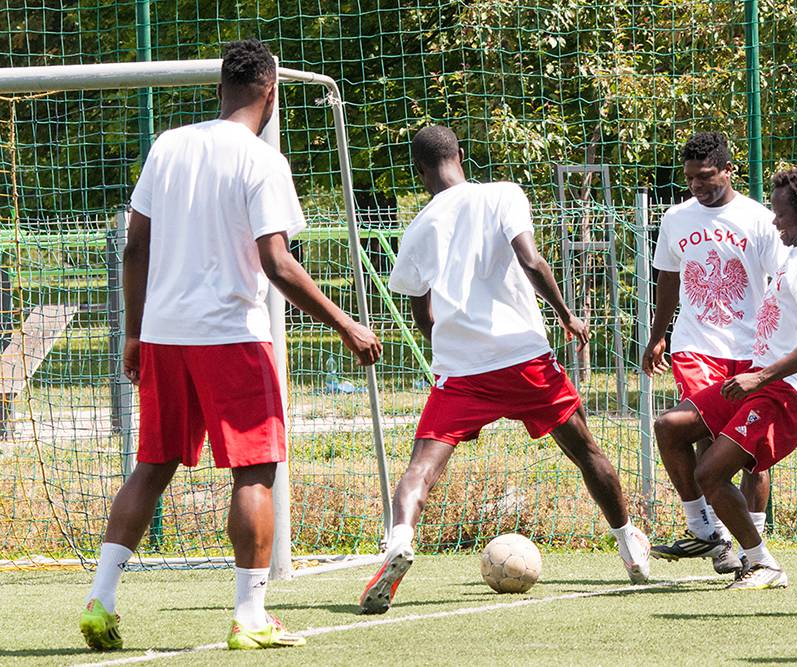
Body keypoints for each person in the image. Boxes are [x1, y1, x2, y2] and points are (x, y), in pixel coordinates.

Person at [79, 39, 381, 651]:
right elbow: (276, 261)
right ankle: (250, 615)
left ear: (220, 89)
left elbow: (136, 247)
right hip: (231, 337)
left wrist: (135, 331)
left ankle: (100, 598)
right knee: (254, 469)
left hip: (164, 336)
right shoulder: (261, 158)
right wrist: (344, 322)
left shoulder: (168, 146)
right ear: (270, 91)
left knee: (153, 465)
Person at [359, 125, 651, 614]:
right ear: (461, 155)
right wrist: (566, 314)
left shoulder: (419, 227)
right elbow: (530, 259)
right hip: (522, 356)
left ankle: (399, 542)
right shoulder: (501, 194)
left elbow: (420, 312)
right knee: (584, 449)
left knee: (420, 468)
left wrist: (449, 352)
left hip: (462, 371)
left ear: (419, 171)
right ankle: (629, 546)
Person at [654, 168, 797, 590]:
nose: (773, 221)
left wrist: (764, 374)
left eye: (780, 213)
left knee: (710, 472)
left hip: (785, 391)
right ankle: (706, 532)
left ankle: (762, 562)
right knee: (671, 427)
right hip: (763, 379)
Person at [642, 132, 785, 575]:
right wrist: (657, 335)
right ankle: (707, 529)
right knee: (697, 434)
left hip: (751, 352)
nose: (698, 187)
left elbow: (780, 287)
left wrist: (779, 349)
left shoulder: (759, 220)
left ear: (728, 170)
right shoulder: (675, 219)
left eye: (706, 177)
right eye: (690, 179)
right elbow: (667, 278)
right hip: (696, 347)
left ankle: (743, 544)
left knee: (746, 451)